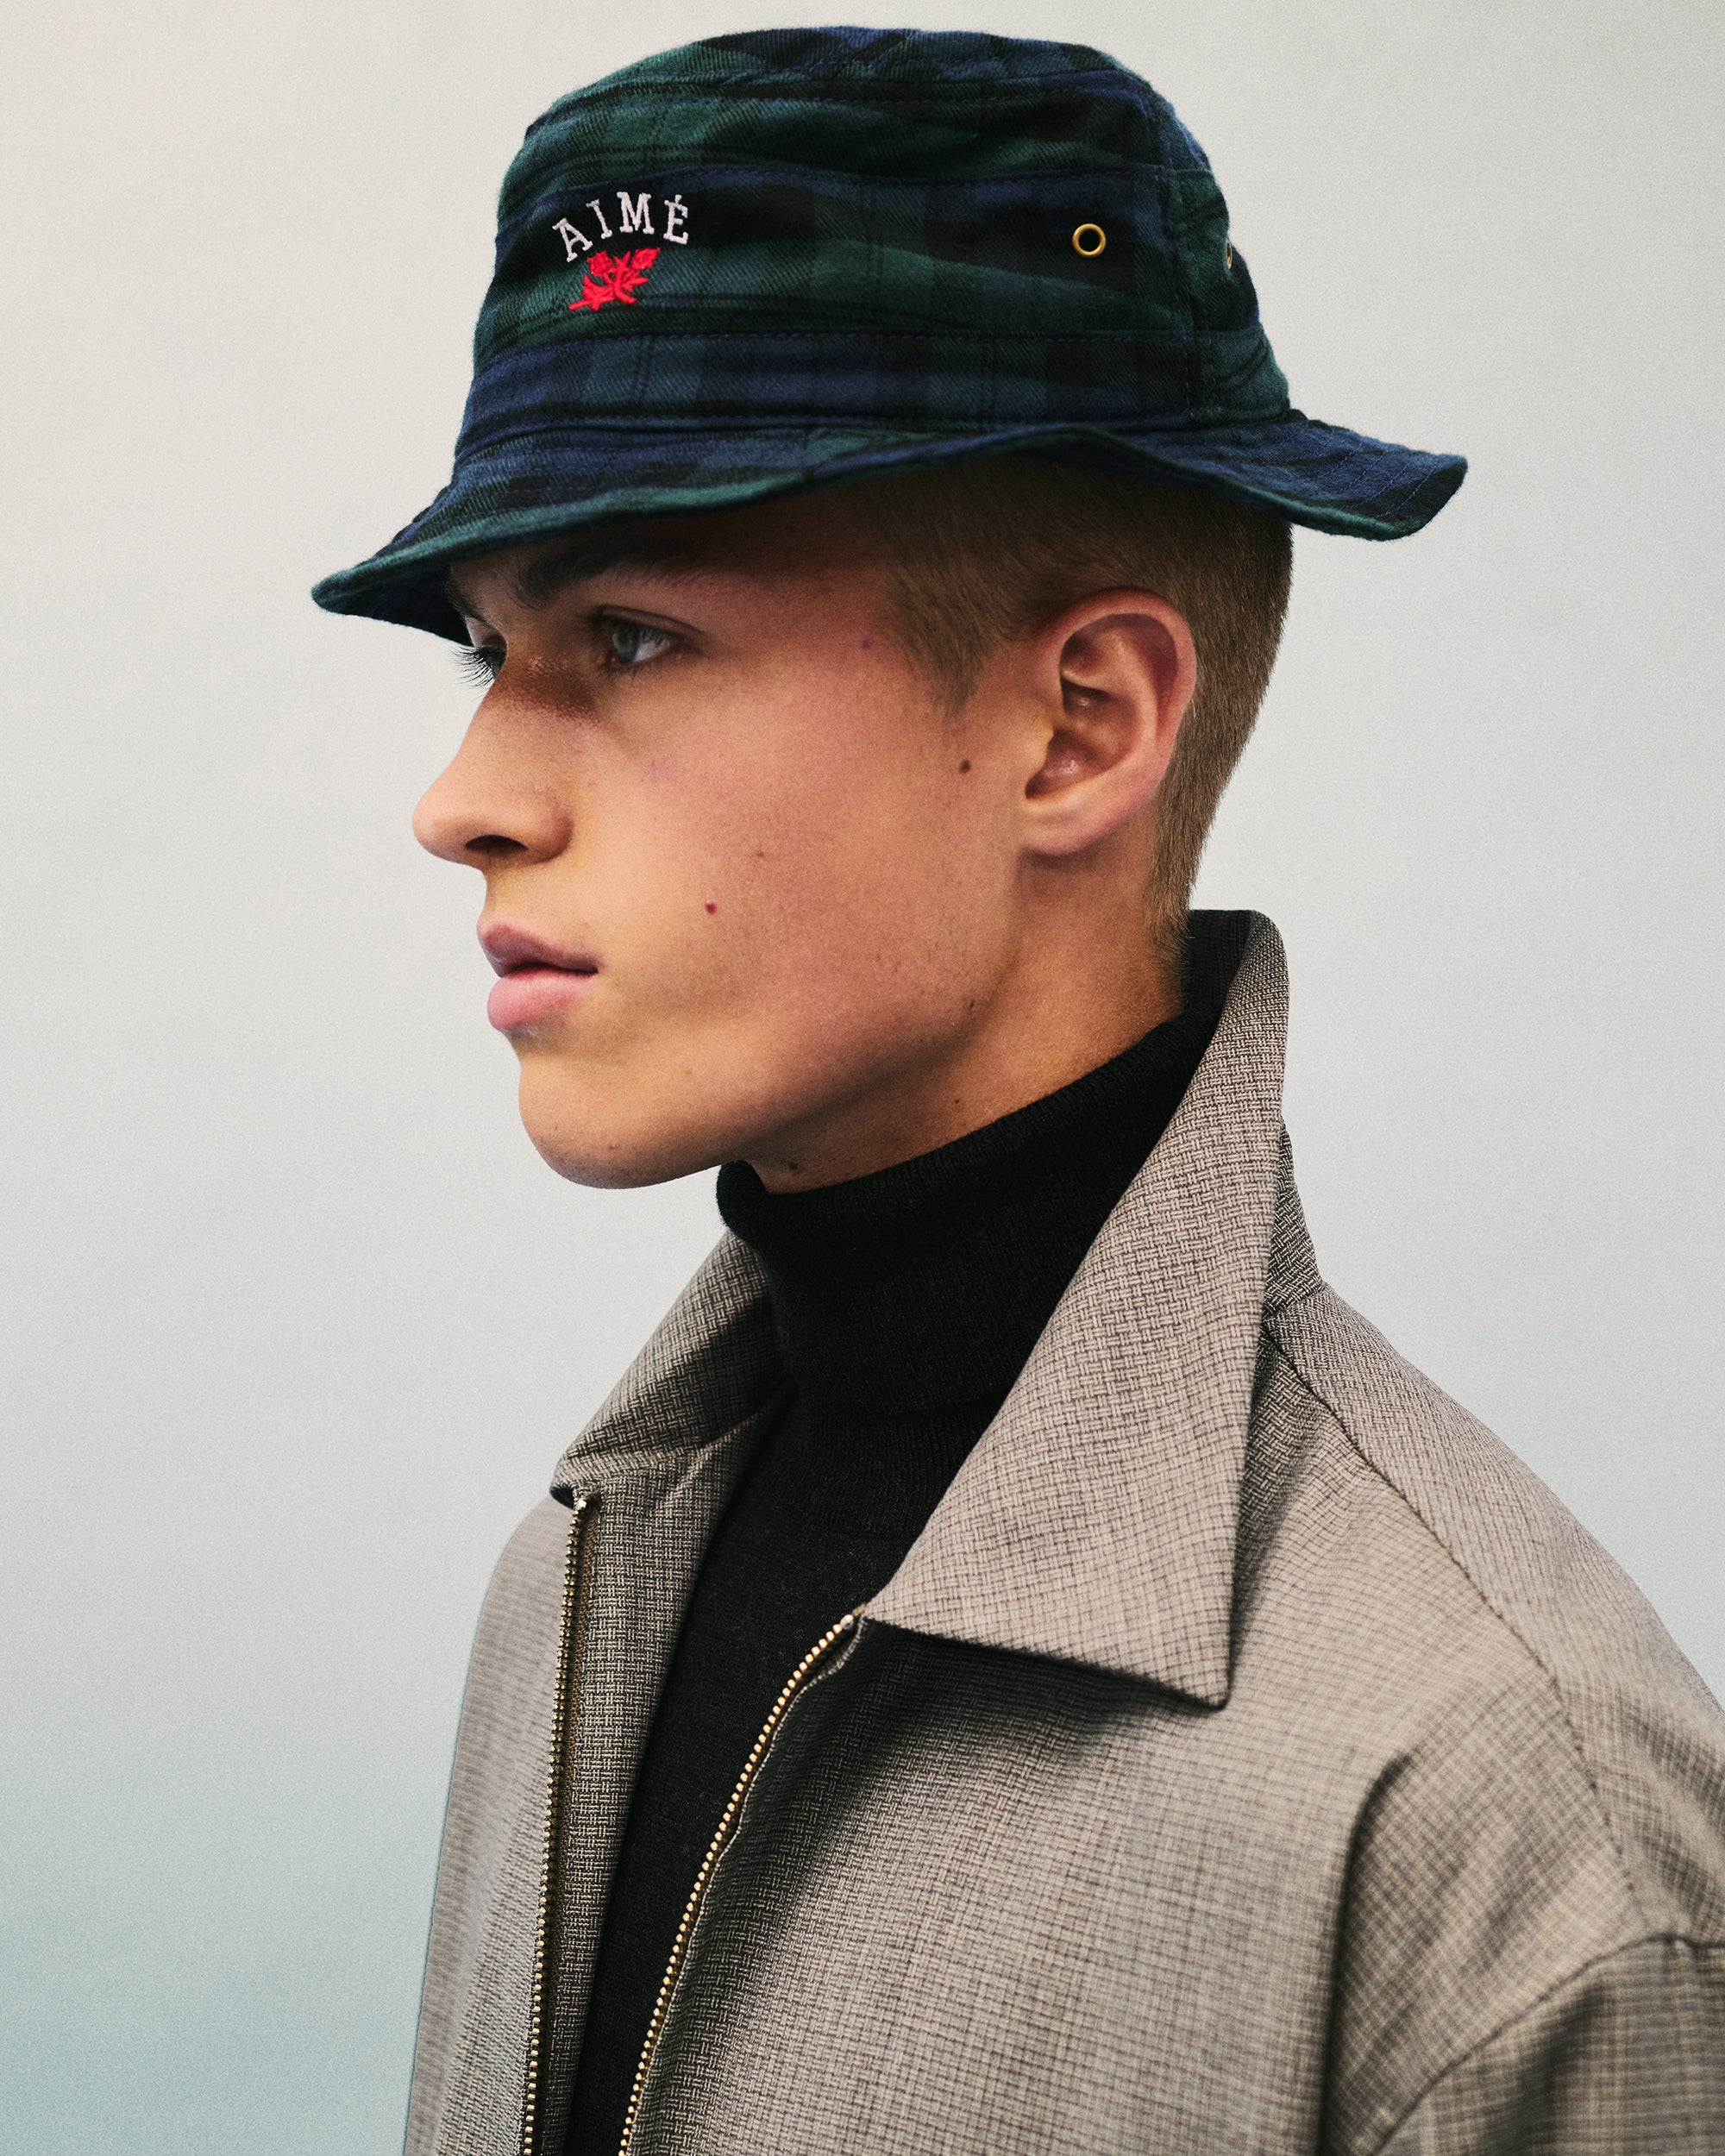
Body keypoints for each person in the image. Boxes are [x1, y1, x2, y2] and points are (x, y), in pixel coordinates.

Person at [313, 28, 1725, 2156]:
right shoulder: (578, 1579)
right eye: (483, 647)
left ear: (1078, 725)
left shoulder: (1502, 1824)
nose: (463, 794)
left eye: (628, 634)